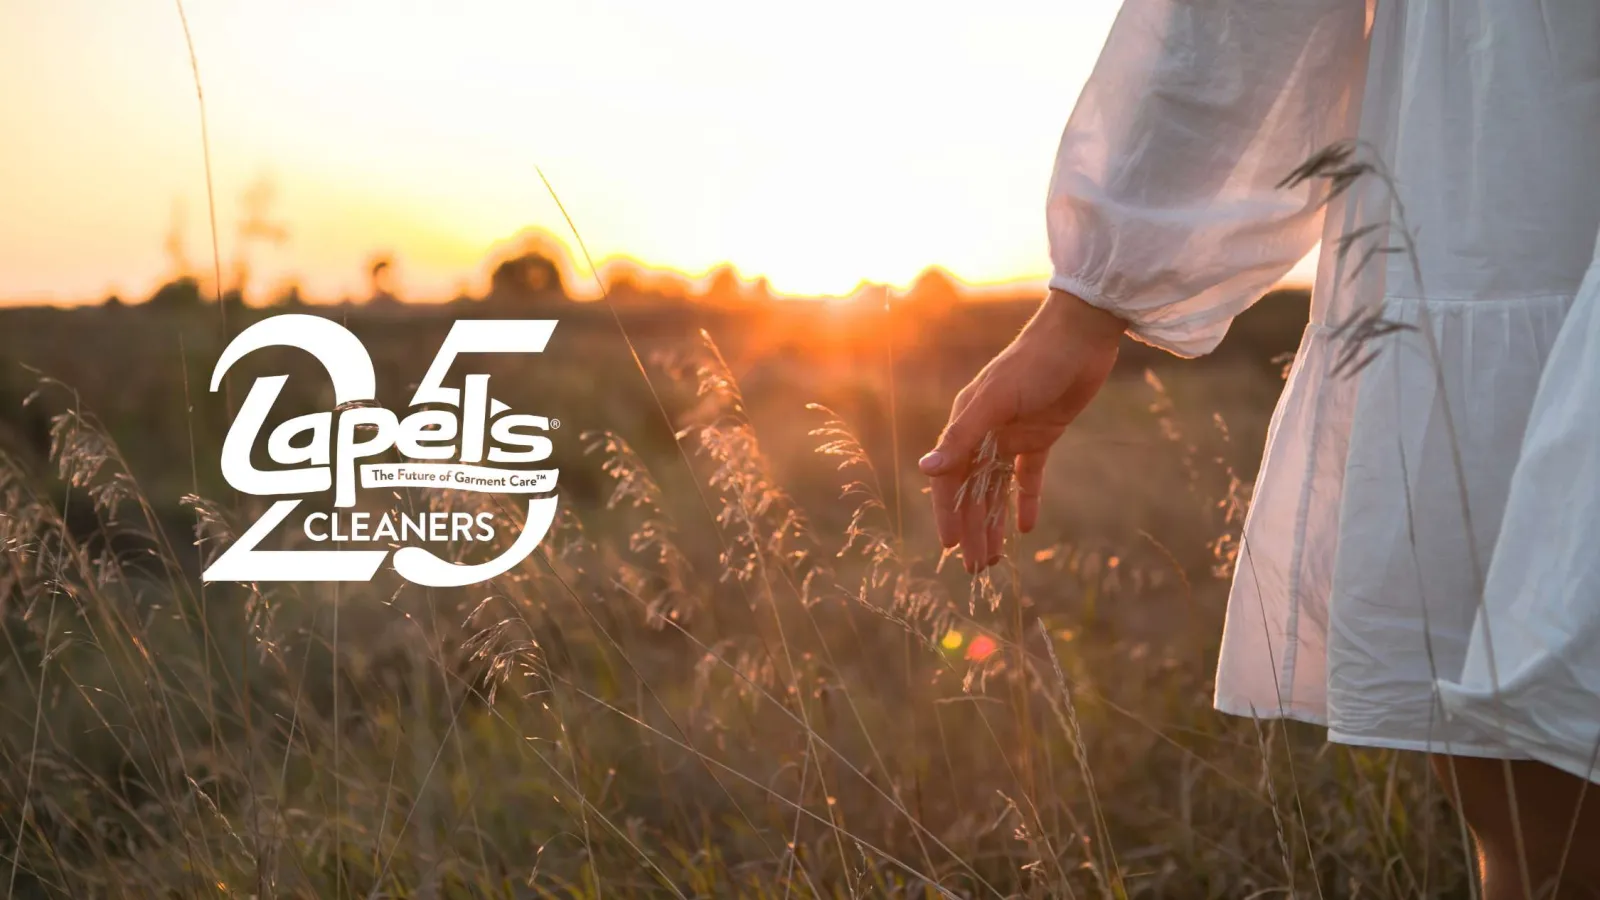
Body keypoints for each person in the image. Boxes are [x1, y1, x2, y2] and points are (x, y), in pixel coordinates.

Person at [917, 2, 1600, 896]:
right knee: (1535, 798)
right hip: (1516, 162)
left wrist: (1095, 295)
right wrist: (1088, 300)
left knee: (1541, 802)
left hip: (1508, 170)